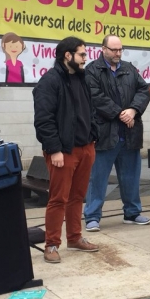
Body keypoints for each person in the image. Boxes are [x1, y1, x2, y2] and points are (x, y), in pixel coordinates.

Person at [33, 36, 99, 263]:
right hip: (63, 151)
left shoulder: (82, 79)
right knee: (58, 198)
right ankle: (51, 244)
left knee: (77, 197)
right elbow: (43, 119)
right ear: (67, 55)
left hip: (86, 147)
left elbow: (89, 111)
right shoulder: (49, 82)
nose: (85, 59)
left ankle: (74, 237)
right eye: (82, 55)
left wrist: (93, 138)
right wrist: (54, 150)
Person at [83, 35, 150, 231]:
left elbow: (143, 91)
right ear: (103, 49)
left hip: (130, 133)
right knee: (98, 178)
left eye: (120, 49)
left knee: (131, 176)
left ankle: (132, 213)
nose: (118, 53)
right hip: (105, 133)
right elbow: (95, 97)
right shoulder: (92, 71)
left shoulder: (129, 68)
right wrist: (120, 113)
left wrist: (133, 110)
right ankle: (92, 216)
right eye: (114, 50)